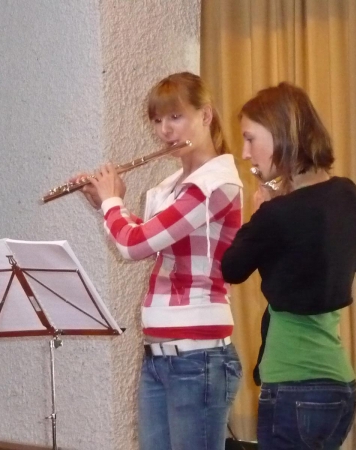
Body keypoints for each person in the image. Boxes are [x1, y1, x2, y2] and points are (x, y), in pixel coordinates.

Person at [76, 72, 243, 450]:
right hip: (159, 354)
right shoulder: (172, 186)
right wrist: (105, 204)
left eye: (175, 117)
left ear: (206, 115)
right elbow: (148, 241)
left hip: (198, 355)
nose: (165, 130)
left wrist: (111, 202)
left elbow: (134, 245)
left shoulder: (216, 183)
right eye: (157, 120)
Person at [221, 82, 356, 449]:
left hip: (294, 385)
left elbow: (231, 268)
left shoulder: (277, 214)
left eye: (250, 139)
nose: (245, 153)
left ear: (282, 135)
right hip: (340, 388)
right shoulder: (347, 192)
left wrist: (262, 211)